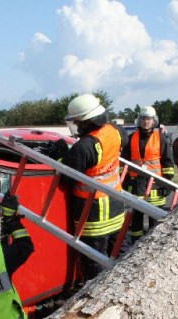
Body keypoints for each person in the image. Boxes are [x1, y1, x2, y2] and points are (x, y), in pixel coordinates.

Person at [62, 93, 128, 279]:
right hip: (116, 205)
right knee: (121, 253)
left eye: (77, 122)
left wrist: (61, 156)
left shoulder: (84, 147)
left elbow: (66, 177)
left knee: (94, 262)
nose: (76, 126)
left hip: (93, 214)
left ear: (86, 121)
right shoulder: (116, 131)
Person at [122, 105, 175, 241]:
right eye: (143, 119)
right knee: (135, 222)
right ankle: (135, 245)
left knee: (155, 223)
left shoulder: (161, 139)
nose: (146, 121)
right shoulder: (130, 138)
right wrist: (124, 181)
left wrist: (167, 184)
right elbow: (124, 163)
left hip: (156, 187)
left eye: (149, 119)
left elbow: (168, 163)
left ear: (154, 121)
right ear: (139, 120)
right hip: (135, 186)